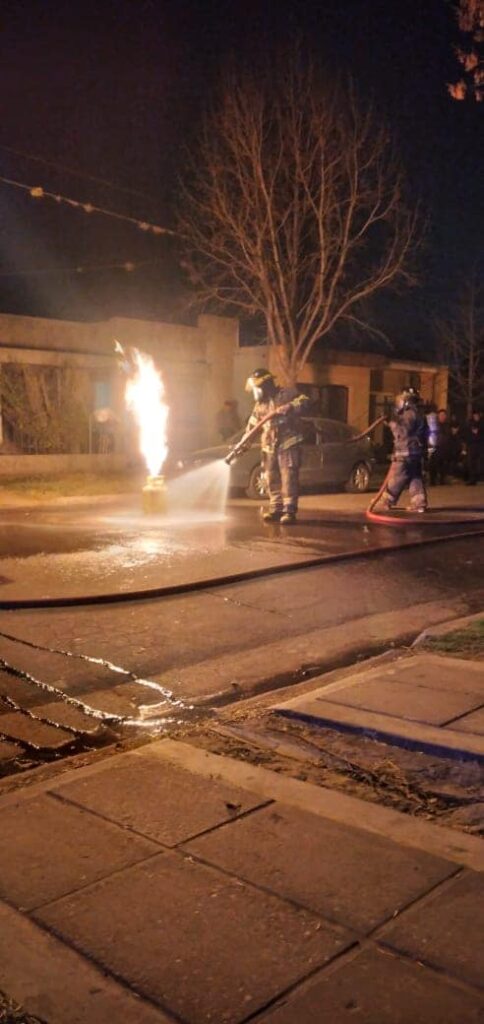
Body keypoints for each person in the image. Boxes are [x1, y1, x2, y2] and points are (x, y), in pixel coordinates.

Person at [245, 368, 309, 524]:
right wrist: (245, 441)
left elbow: (306, 401)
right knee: (271, 478)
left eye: (257, 388)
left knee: (288, 478)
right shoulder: (260, 405)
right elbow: (252, 426)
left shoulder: (287, 395)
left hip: (287, 444)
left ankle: (289, 511)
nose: (256, 392)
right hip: (269, 446)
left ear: (266, 385)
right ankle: (276, 509)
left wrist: (290, 406)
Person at [380, 387, 436, 512]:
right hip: (415, 452)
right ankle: (419, 503)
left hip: (405, 451)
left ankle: (387, 500)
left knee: (398, 476)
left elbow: (403, 431)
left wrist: (391, 422)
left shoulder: (409, 413)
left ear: (406, 400)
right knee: (414, 476)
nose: (398, 402)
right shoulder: (419, 413)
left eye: (400, 399)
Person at [428, 408, 451, 486]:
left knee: (443, 464)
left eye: (444, 415)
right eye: (441, 415)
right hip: (434, 447)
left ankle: (442, 479)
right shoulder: (434, 425)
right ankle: (432, 480)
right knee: (432, 463)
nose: (442, 417)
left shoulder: (447, 426)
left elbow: (448, 436)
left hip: (444, 447)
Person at [463, 410, 484, 485]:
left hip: (481, 445)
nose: (476, 417)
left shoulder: (482, 424)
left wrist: (478, 432)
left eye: (477, 415)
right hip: (472, 445)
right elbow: (466, 434)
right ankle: (472, 479)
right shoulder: (470, 424)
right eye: (474, 416)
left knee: (481, 462)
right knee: (471, 463)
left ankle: (480, 477)